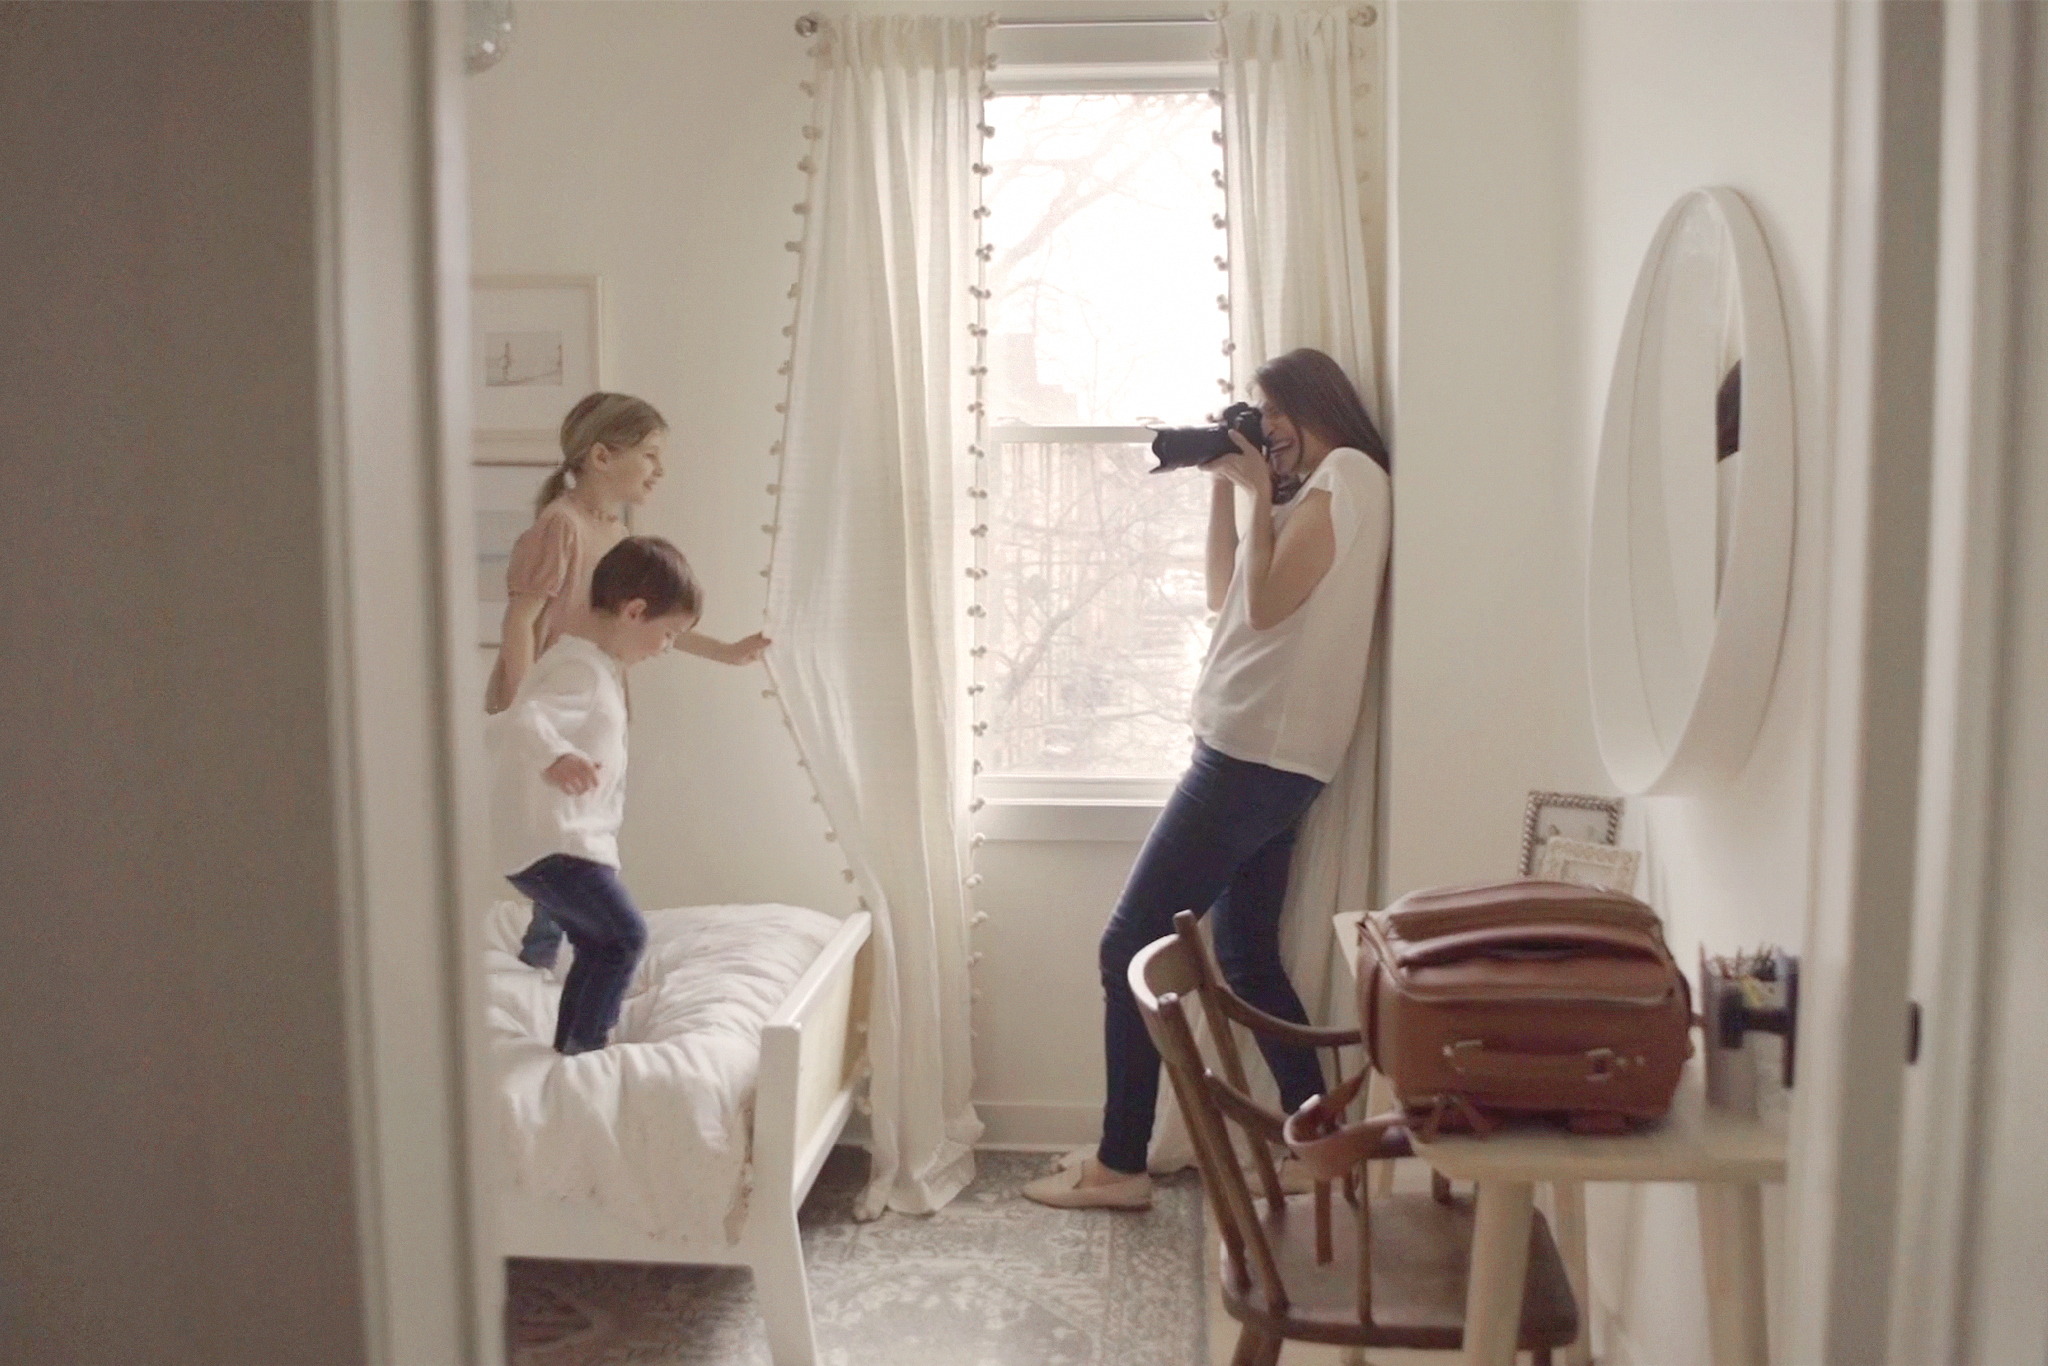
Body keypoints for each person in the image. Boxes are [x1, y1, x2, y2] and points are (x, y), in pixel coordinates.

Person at [1023, 348, 1393, 1210]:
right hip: (1264, 756)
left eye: (1274, 417)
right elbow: (1229, 592)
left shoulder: (1350, 474)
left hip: (1252, 757)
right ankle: (1319, 1142)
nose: (1267, 434)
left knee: (1127, 948)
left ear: (1313, 403)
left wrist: (1262, 489)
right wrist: (1230, 492)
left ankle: (1121, 1164)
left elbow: (1264, 610)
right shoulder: (1326, 489)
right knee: (1248, 957)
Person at [488, 391, 768, 969]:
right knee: (563, 837)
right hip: (556, 708)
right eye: (649, 455)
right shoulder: (560, 527)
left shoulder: (616, 532)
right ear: (601, 457)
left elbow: (654, 620)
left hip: (595, 702)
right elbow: (520, 621)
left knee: (585, 826)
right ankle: (547, 954)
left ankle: (553, 951)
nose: (659, 471)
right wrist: (526, 719)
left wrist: (726, 652)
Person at [490, 535, 702, 1055]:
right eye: (668, 634)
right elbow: (525, 717)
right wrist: (556, 757)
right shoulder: (579, 669)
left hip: (569, 845)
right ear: (634, 612)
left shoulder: (596, 668)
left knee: (597, 944)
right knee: (625, 937)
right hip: (557, 846)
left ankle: (574, 1045)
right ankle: (587, 1046)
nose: (667, 648)